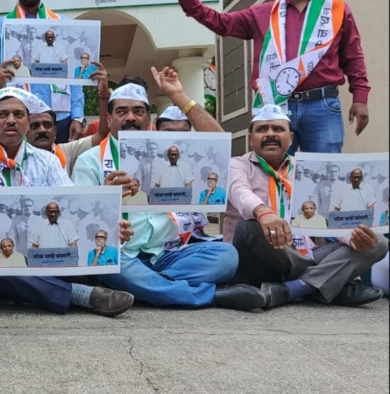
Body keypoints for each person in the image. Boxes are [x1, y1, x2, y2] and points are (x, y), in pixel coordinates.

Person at [73, 66, 265, 311]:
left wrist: (178, 96)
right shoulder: (90, 161)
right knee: (108, 262)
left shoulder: (170, 152)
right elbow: (82, 226)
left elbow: (219, 144)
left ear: (149, 120)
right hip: (121, 255)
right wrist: (107, 200)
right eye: (121, 111)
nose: (130, 117)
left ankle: (148, 287)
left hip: (165, 255)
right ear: (109, 119)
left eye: (138, 111)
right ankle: (210, 296)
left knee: (226, 256)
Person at [0, 86, 135, 317]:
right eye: (2, 114)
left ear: (27, 122)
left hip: (41, 254)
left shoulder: (48, 161)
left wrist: (108, 224)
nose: (11, 120)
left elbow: (73, 210)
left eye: (18, 115)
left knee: (75, 254)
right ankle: (79, 294)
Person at [174, 0, 370, 154]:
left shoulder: (336, 10)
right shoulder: (261, 13)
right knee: (273, 172)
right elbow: (222, 23)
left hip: (322, 105)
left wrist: (360, 98)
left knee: (323, 171)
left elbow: (353, 57)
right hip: (275, 107)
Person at [225, 104, 387, 309]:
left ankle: (294, 289)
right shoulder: (236, 164)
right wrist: (263, 212)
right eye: (262, 129)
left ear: (291, 138)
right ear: (250, 138)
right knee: (250, 223)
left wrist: (353, 238)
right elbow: (240, 192)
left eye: (278, 129)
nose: (270, 134)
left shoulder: (307, 169)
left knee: (377, 242)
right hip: (258, 258)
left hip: (302, 252)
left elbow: (326, 219)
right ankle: (328, 284)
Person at [0, 0, 85, 143]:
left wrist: (77, 116)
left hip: (58, 118)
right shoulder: (1, 26)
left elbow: (74, 75)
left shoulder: (61, 24)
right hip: (17, 118)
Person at [0, 60, 110, 177]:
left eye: (47, 125)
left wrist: (104, 96)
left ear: (55, 131)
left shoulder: (67, 151)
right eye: (34, 126)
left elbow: (102, 135)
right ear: (25, 128)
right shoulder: (10, 154)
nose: (42, 130)